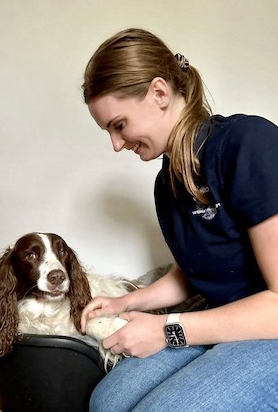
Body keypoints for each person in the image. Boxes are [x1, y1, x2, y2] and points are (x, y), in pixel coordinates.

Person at [80, 28, 278, 412]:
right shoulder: (166, 183)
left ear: (159, 92)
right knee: (107, 402)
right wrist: (123, 302)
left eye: (119, 125)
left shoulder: (249, 144)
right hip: (223, 321)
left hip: (269, 329)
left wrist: (168, 329)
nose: (116, 144)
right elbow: (198, 269)